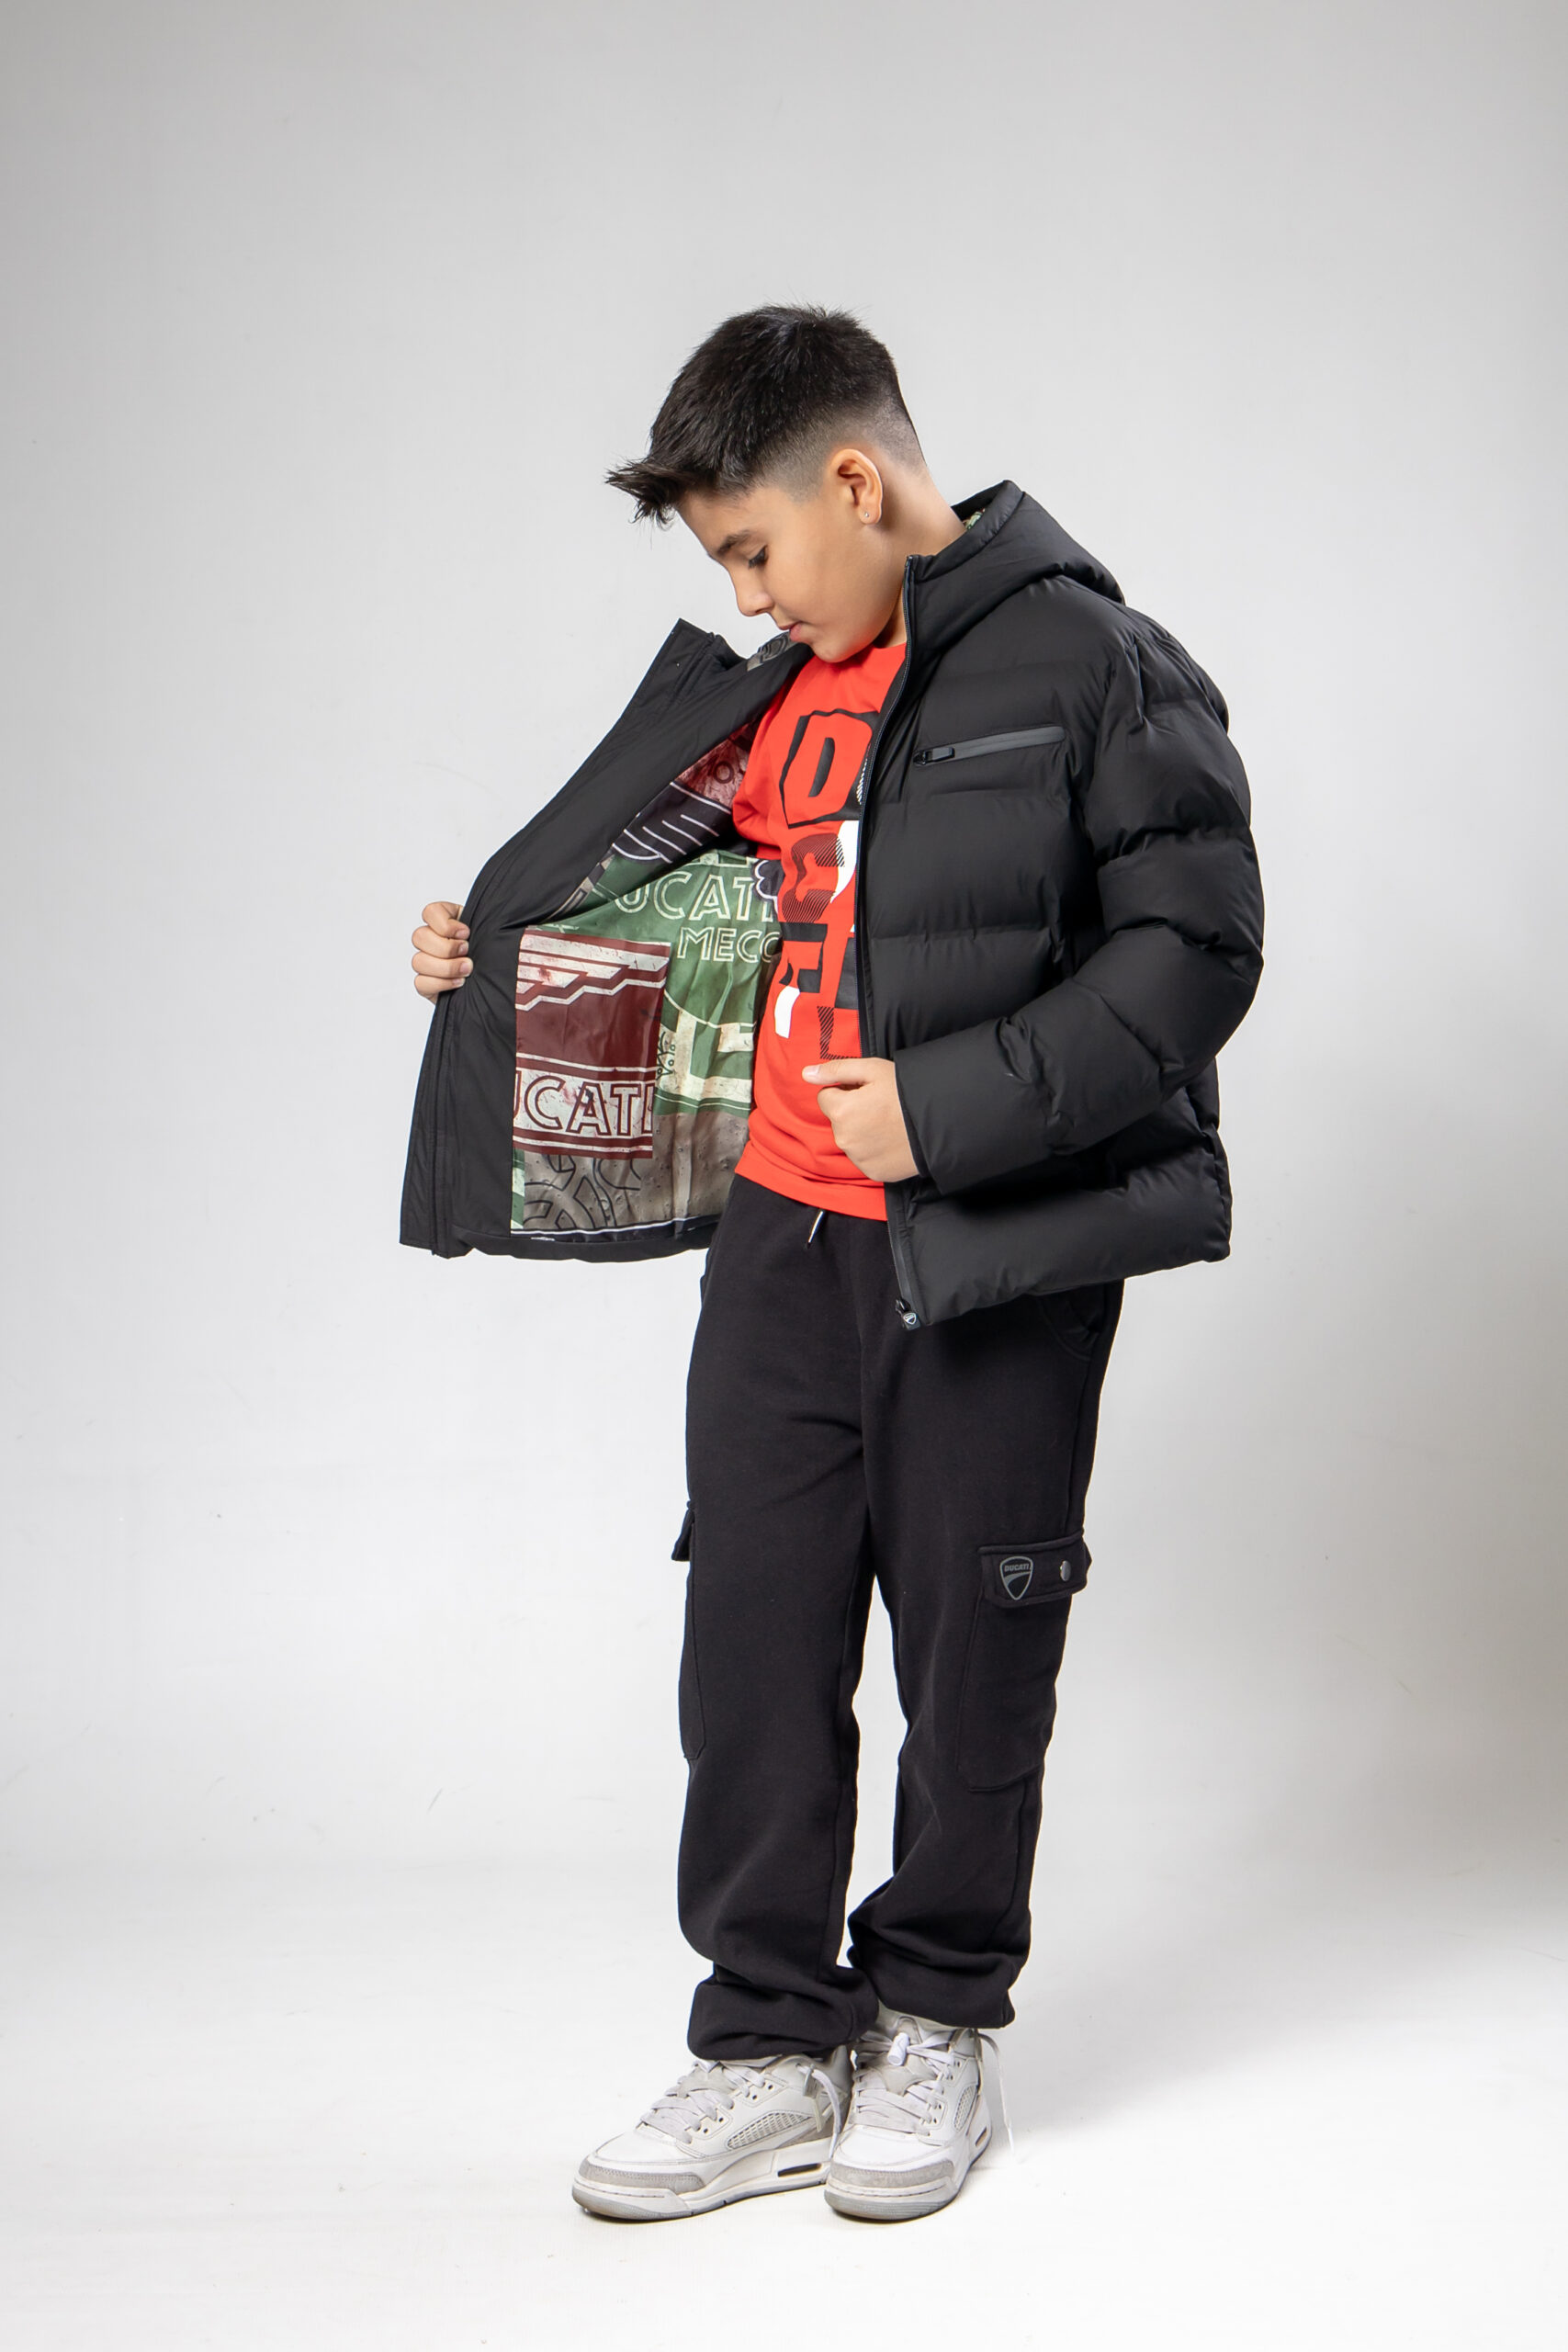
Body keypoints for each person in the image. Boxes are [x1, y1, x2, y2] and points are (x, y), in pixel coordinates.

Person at [406, 307, 1264, 2223]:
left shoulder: (1098, 662)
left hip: (987, 1249)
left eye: (752, 548)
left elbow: (1198, 950)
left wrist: (944, 1109)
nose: (747, 595)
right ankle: (768, 2041)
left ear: (855, 481)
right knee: (754, 1639)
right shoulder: (776, 695)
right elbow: (686, 921)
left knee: (974, 1642)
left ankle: (937, 2014)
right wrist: (495, 957)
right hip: (779, 1249)